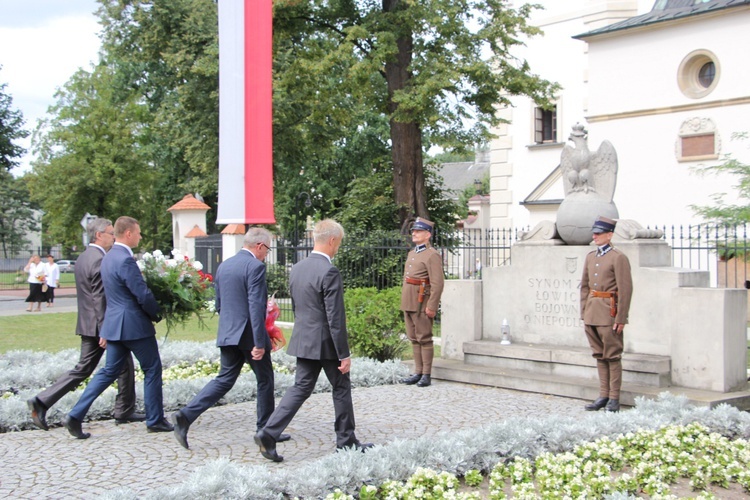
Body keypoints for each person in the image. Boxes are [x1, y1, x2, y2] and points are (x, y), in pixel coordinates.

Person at [254, 219, 372, 462]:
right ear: (331, 241)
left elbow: (299, 309)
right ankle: (346, 440)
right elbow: (335, 316)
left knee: (300, 388)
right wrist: (344, 353)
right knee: (341, 388)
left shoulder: (297, 268)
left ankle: (268, 432)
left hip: (304, 340)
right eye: (338, 243)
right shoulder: (329, 271)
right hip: (327, 343)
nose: (338, 247)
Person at [171, 227, 290, 449]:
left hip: (228, 332)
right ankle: (265, 431)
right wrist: (258, 341)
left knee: (224, 379)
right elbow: (255, 306)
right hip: (248, 334)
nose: (267, 253)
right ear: (260, 246)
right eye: (268, 249)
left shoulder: (224, 265)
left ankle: (185, 415)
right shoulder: (255, 266)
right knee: (265, 380)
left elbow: (218, 304)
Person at [27, 219, 143, 431]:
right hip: (100, 326)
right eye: (110, 233)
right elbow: (99, 297)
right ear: (98, 235)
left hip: (89, 323)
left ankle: (124, 409)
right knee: (100, 367)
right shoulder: (99, 259)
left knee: (111, 366)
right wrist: (105, 329)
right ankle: (43, 401)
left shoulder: (83, 257)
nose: (113, 237)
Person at [63, 216, 172, 439]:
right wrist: (157, 312)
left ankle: (75, 415)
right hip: (133, 326)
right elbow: (140, 293)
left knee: (107, 372)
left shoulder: (109, 257)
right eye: (139, 233)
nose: (141, 236)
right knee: (152, 369)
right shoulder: (125, 259)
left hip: (114, 325)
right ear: (129, 234)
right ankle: (155, 419)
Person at [580, 216, 633, 413]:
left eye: (599, 233)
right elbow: (584, 286)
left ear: (609, 235)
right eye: (594, 233)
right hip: (592, 313)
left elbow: (625, 290)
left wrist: (621, 318)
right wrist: (584, 312)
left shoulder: (618, 257)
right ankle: (603, 395)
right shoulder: (590, 257)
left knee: (612, 356)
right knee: (599, 356)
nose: (595, 236)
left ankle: (614, 399)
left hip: (609, 313)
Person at [399, 217, 445, 388]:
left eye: (418, 231)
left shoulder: (432, 255)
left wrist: (432, 306)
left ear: (428, 235)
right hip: (409, 301)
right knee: (413, 338)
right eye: (413, 231)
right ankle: (417, 371)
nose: (414, 233)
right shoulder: (412, 253)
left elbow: (437, 283)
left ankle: (426, 374)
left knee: (424, 338)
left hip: (421, 302)